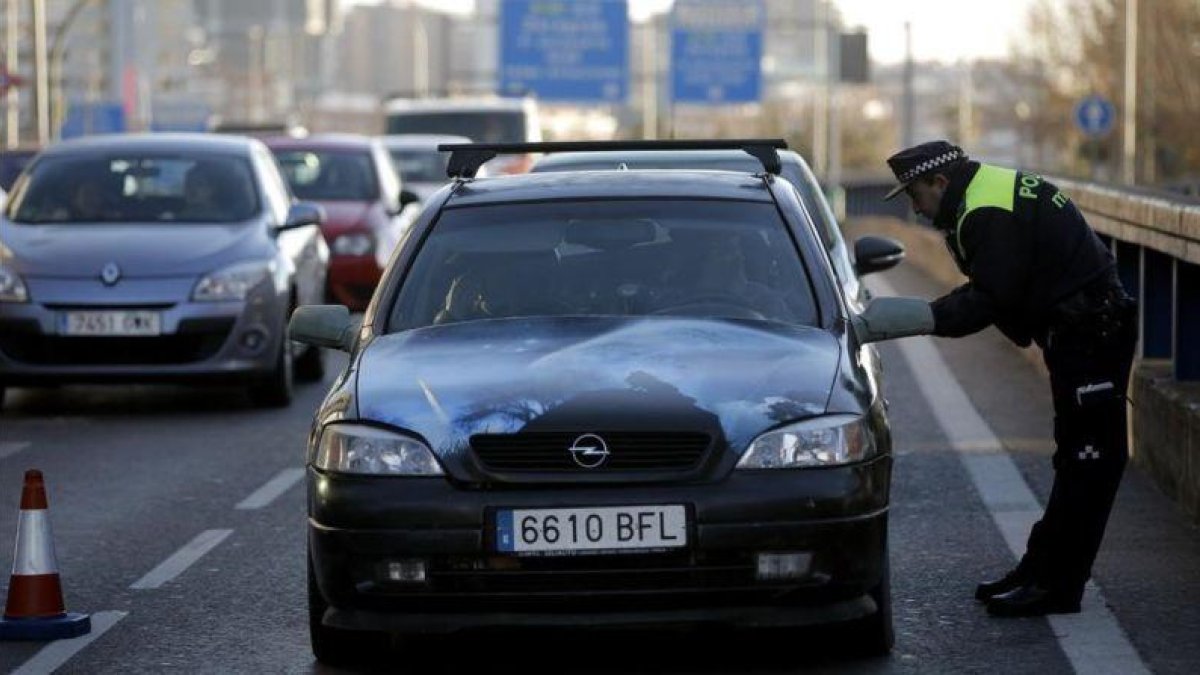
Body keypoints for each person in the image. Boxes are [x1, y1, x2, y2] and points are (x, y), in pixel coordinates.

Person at [884, 141, 1138, 617]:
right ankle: (1039, 569)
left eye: (915, 195)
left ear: (940, 182)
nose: (915, 209)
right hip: (1084, 329)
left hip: (1091, 332)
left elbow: (992, 296)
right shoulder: (988, 191)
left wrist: (924, 317)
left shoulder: (985, 210)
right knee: (1076, 456)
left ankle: (1060, 586)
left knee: (1090, 461)